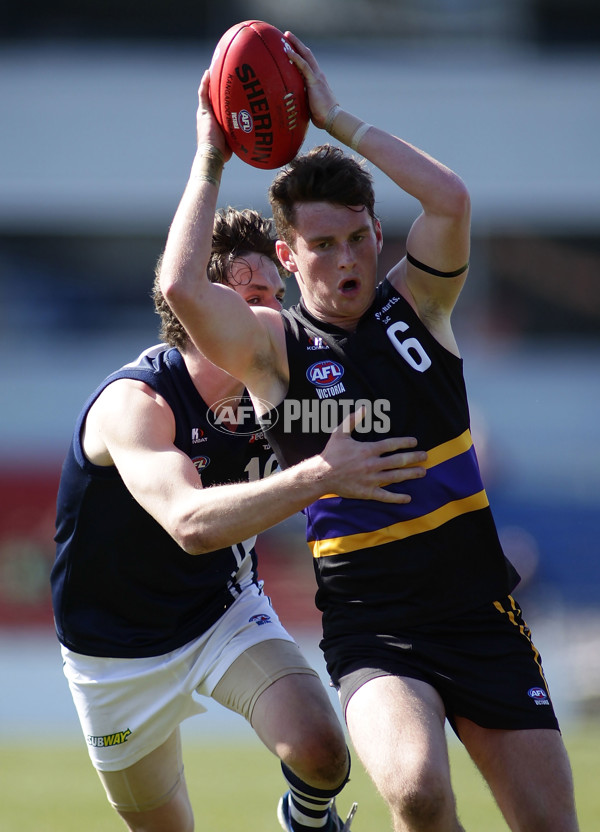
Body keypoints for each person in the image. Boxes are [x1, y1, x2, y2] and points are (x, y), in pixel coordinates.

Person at [158, 31, 580, 832]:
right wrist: (211, 157)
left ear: (376, 233)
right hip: (376, 627)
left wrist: (337, 118)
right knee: (418, 793)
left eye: (357, 238)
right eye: (321, 246)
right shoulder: (271, 348)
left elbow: (450, 199)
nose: (345, 260)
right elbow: (181, 286)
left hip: (480, 610)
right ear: (287, 255)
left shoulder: (418, 304)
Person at [51, 206, 428, 832]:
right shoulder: (135, 404)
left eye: (275, 298)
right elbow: (190, 523)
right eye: (252, 297)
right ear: (200, 305)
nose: (272, 315)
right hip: (112, 656)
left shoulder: (279, 391)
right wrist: (322, 474)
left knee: (321, 749)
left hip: (221, 613)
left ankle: (306, 821)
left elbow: (375, 431)